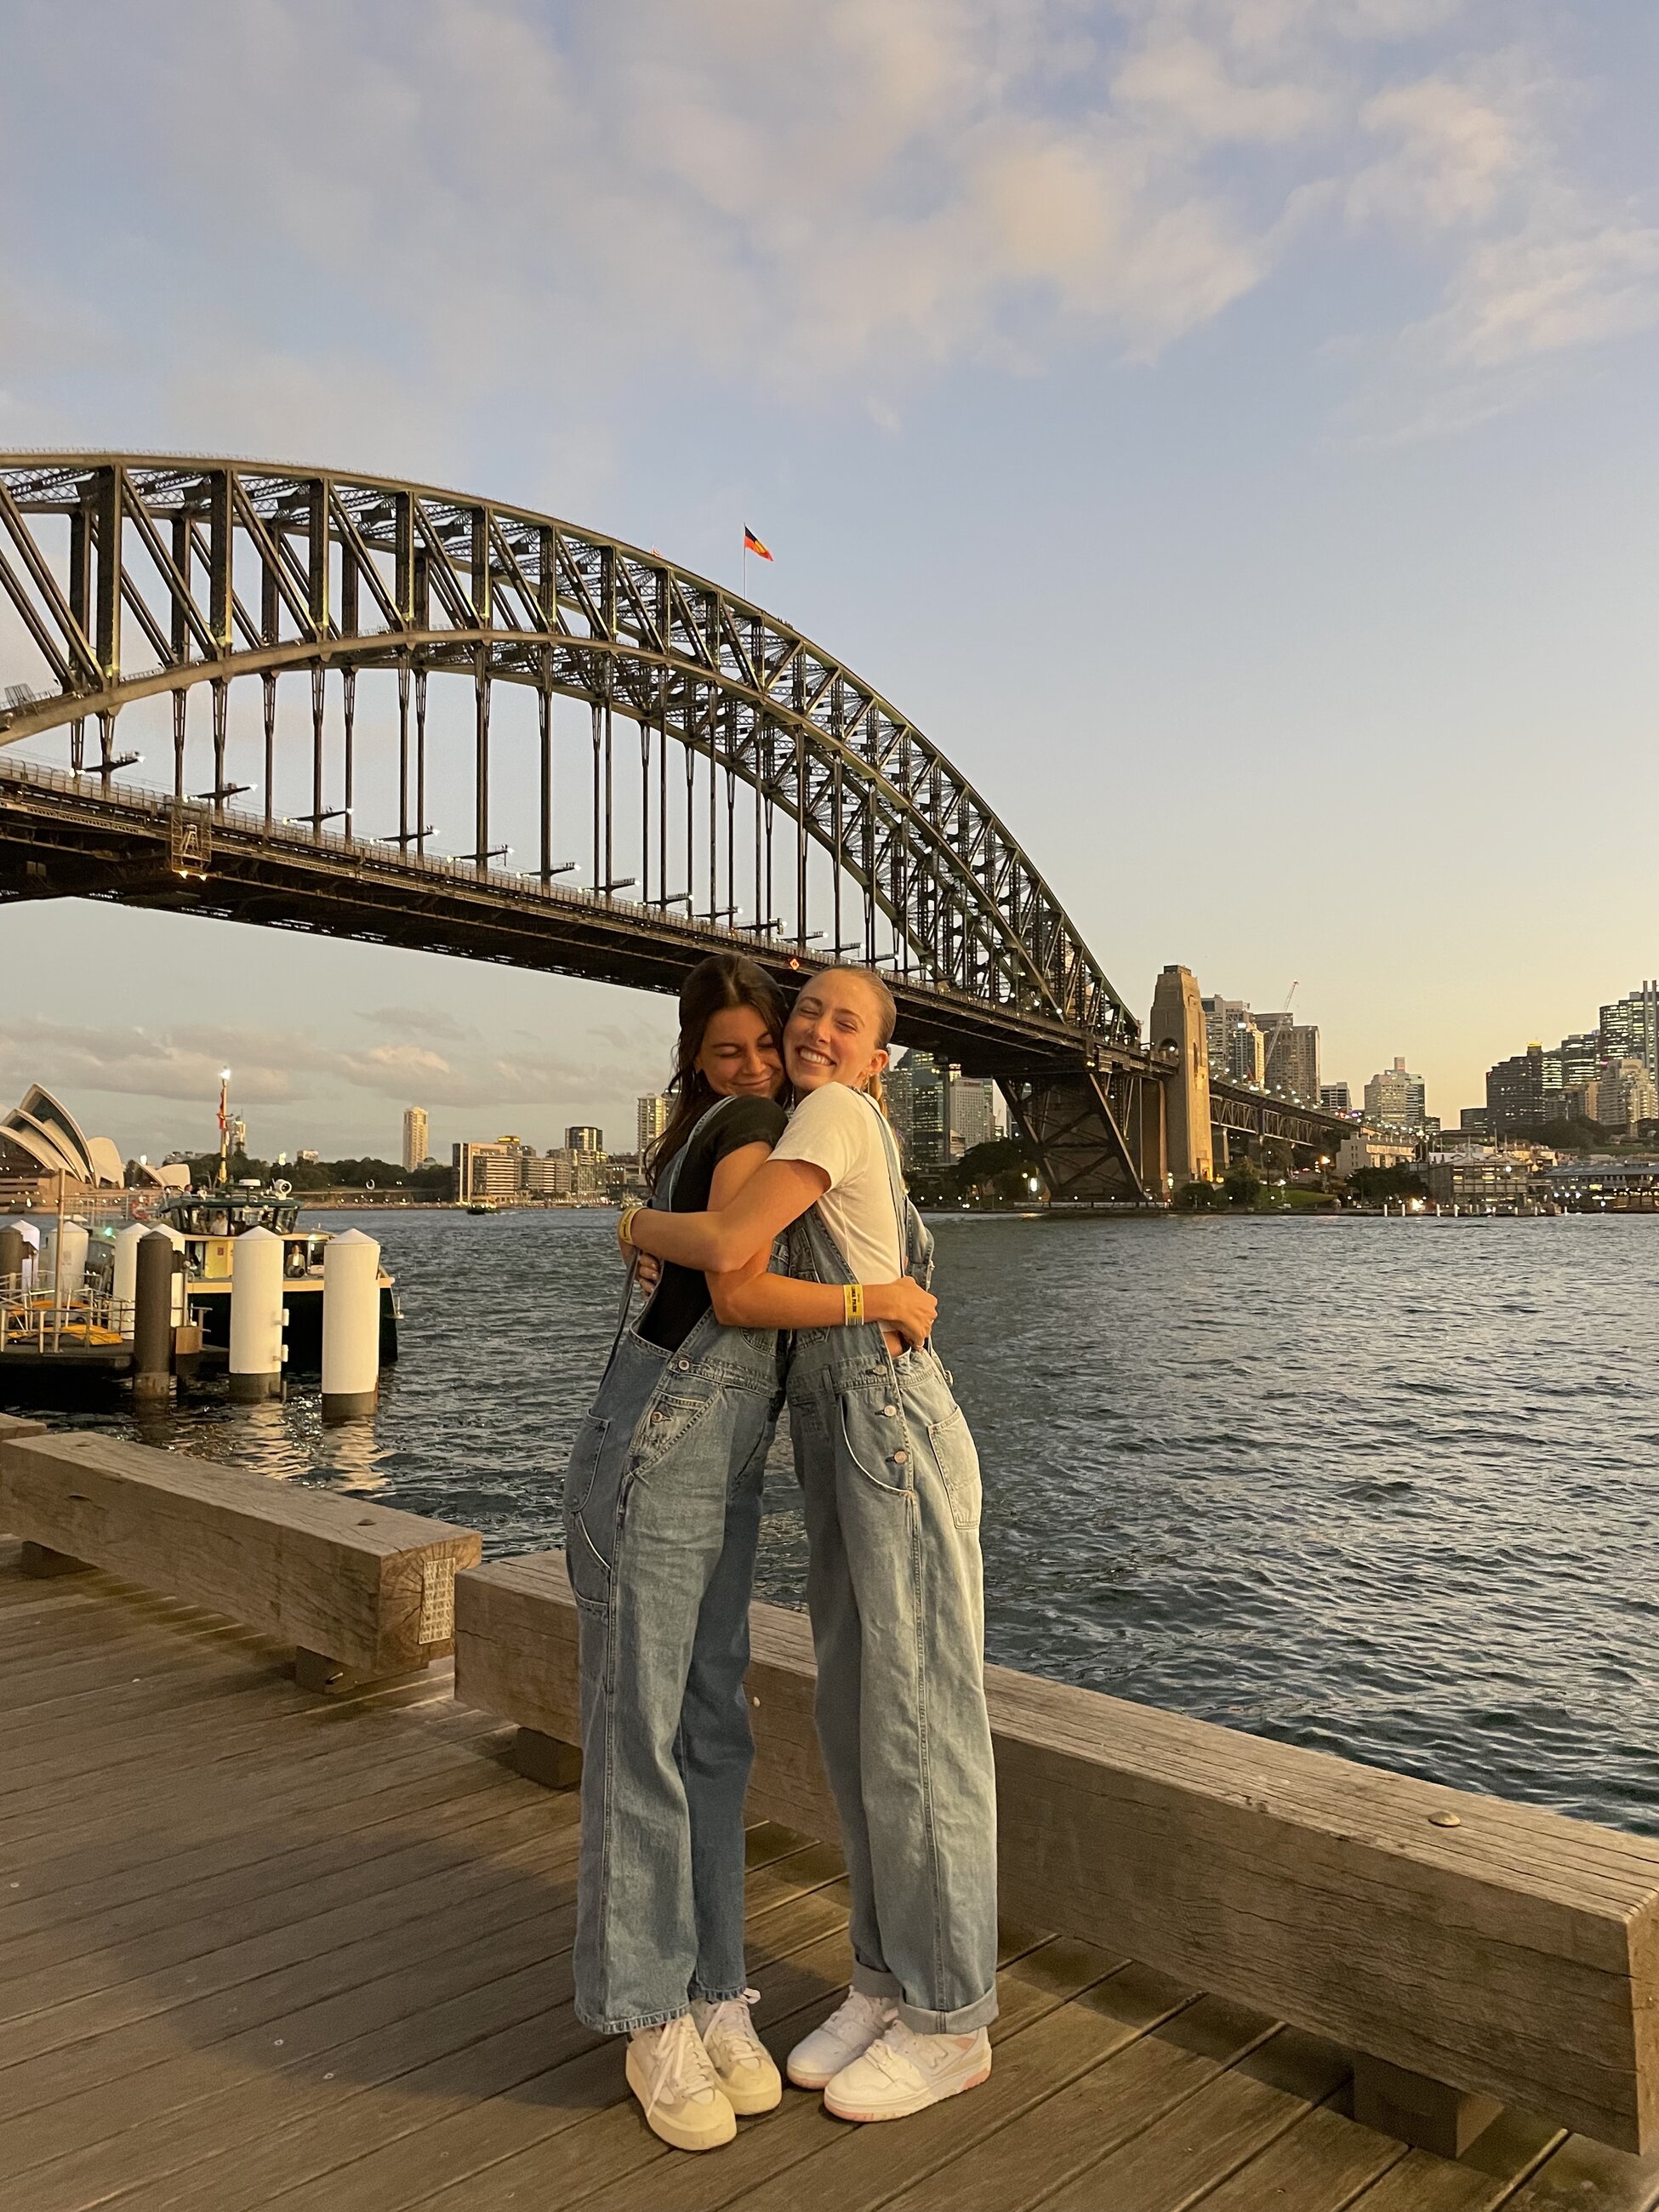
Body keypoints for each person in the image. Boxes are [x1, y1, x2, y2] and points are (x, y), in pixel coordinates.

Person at [566, 953, 937, 2154]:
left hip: (708, 1458)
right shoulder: (750, 1128)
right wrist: (871, 1303)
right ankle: (649, 2014)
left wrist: (633, 1218)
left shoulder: (782, 1129)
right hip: (658, 1451)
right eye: (729, 1051)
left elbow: (721, 1246)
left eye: (767, 1046)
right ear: (699, 1062)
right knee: (648, 1729)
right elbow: (733, 1271)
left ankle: (714, 1987)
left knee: (709, 1724)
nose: (758, 1066)